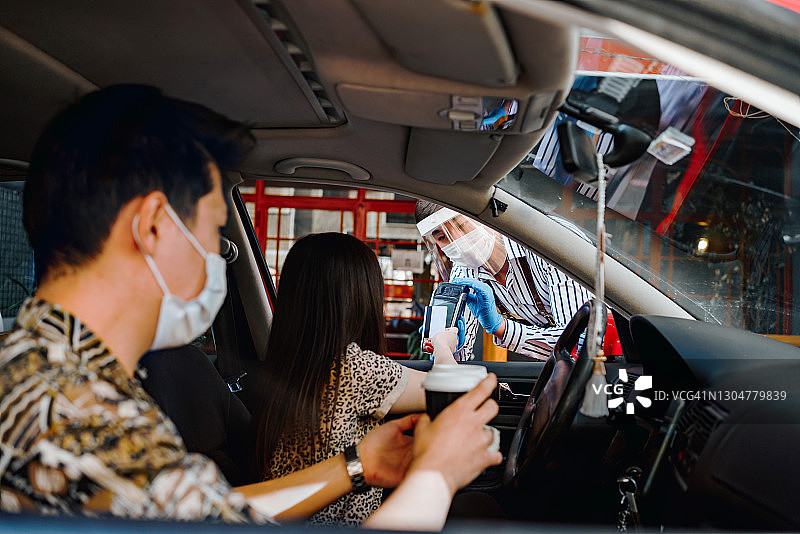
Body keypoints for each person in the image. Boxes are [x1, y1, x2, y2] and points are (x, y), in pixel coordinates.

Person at [0, 85, 501, 530]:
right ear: (152, 226)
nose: (216, 261)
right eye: (212, 232)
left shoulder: (44, 372)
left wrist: (356, 464)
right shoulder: (78, 413)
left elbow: (206, 510)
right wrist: (435, 476)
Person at [252, 232, 465, 526]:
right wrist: (443, 347)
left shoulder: (288, 363)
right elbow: (452, 390)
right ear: (360, 298)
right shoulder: (351, 369)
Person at [416, 200, 592, 361]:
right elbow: (456, 361)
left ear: (484, 217)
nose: (457, 241)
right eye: (442, 237)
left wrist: (501, 328)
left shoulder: (548, 242)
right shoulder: (463, 274)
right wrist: (447, 347)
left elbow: (581, 342)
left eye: (461, 225)